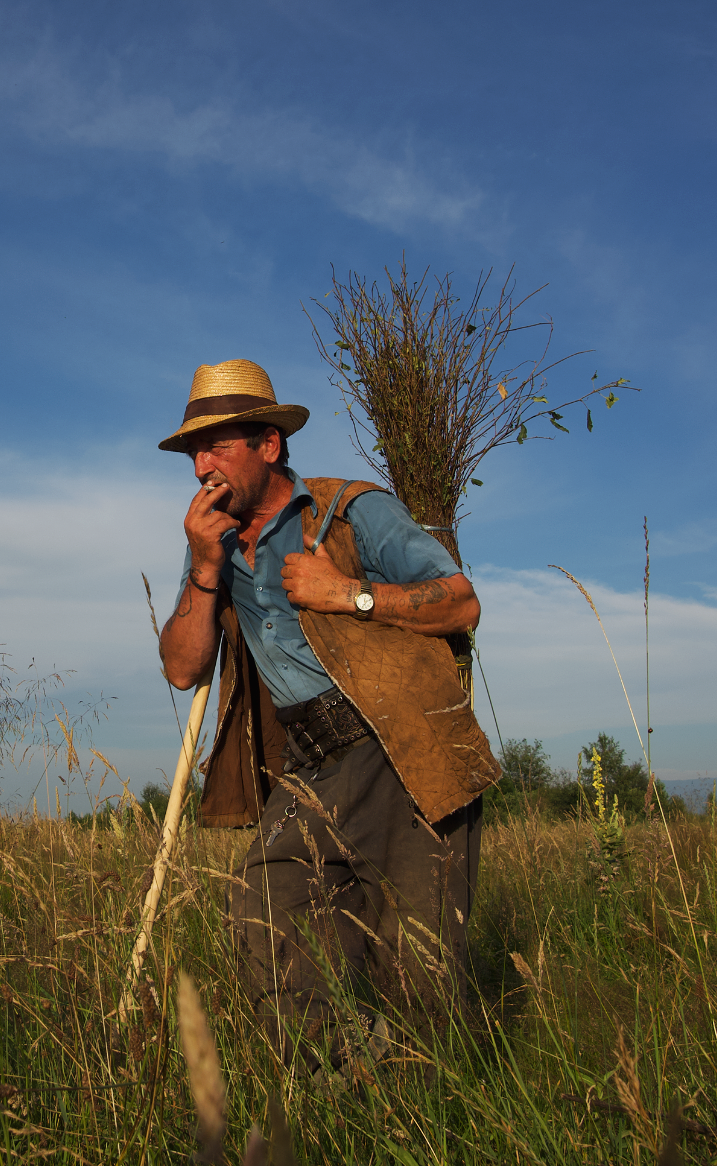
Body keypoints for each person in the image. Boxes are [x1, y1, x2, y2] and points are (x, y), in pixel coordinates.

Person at [156, 358, 502, 1070]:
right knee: (261, 909)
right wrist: (202, 569)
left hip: (404, 748)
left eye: (217, 445)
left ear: (269, 446)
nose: (201, 468)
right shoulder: (212, 546)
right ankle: (348, 1083)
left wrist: (349, 593)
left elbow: (461, 600)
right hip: (312, 763)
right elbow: (184, 666)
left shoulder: (349, 509)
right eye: (194, 451)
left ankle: (426, 1107)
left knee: (418, 971)